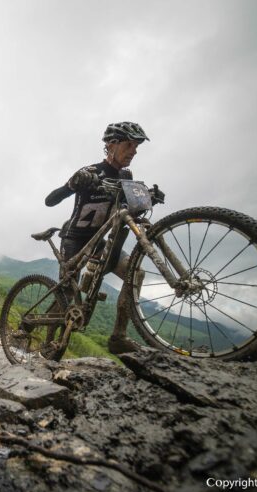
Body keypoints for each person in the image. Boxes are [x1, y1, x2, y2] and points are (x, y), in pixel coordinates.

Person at [45, 121, 159, 354]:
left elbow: (130, 211)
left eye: (136, 147)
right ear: (111, 145)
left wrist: (149, 199)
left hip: (99, 242)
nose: (134, 151)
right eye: (129, 145)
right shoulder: (90, 171)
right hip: (74, 238)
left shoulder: (127, 177)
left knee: (135, 273)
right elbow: (50, 200)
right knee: (67, 293)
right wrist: (73, 183)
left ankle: (118, 336)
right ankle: (48, 344)